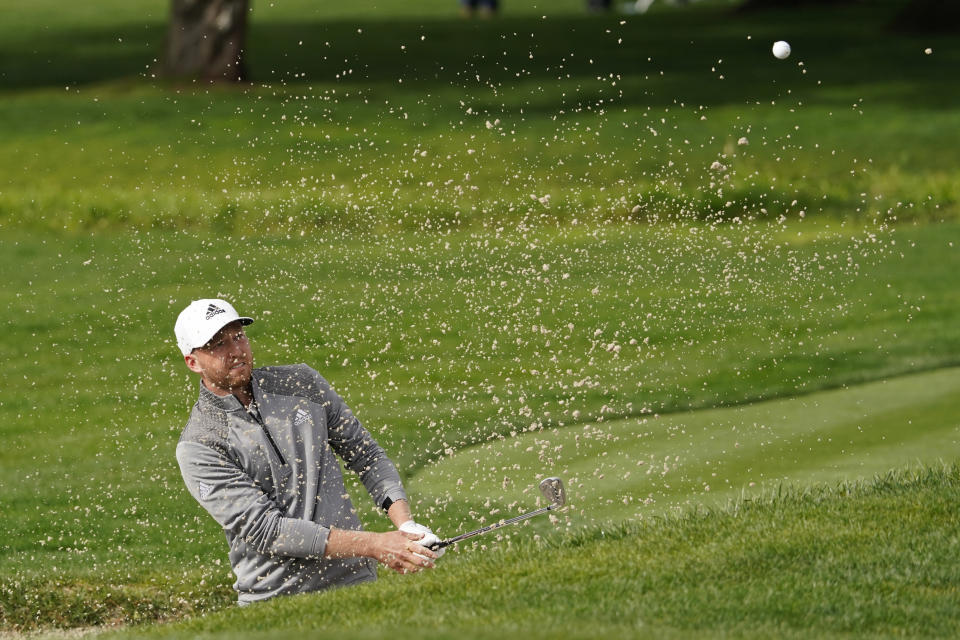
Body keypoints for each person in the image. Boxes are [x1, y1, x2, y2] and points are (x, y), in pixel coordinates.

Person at [173, 298, 442, 605]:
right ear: (193, 362)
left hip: (357, 584)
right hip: (276, 600)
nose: (235, 350)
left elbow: (366, 456)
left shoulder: (301, 382)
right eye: (218, 344)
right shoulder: (199, 445)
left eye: (238, 336)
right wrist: (375, 545)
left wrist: (406, 526)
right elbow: (269, 531)